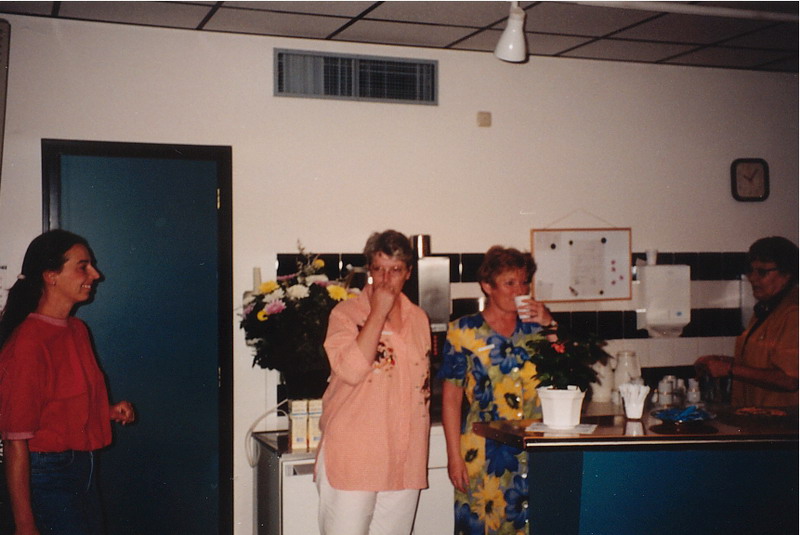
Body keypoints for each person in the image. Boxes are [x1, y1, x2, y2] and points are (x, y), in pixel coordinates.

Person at [0, 229, 135, 535]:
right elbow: (14, 441)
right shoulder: (28, 344)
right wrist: (25, 524)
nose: (96, 275)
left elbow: (60, 406)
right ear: (51, 276)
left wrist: (107, 411)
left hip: (82, 469)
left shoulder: (77, 330)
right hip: (46, 476)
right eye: (83, 267)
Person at [315, 230, 431, 535]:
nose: (386, 279)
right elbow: (350, 370)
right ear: (369, 270)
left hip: (404, 455)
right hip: (355, 452)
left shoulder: (419, 318)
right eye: (379, 269)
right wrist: (378, 312)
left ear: (408, 273)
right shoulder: (345, 314)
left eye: (395, 270)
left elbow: (420, 387)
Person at [438, 246, 557, 534]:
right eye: (510, 283)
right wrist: (453, 457)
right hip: (482, 451)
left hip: (534, 448)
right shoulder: (463, 331)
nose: (520, 291)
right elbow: (451, 399)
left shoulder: (537, 329)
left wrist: (550, 324)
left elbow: (565, 376)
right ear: (487, 286)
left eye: (524, 282)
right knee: (484, 523)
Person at [695, 236, 798, 407]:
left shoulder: (794, 313)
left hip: (785, 420)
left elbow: (790, 380)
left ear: (787, 274)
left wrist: (729, 369)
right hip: (759, 416)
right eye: (751, 270)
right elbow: (763, 364)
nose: (753, 278)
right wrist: (723, 362)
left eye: (762, 272)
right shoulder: (767, 309)